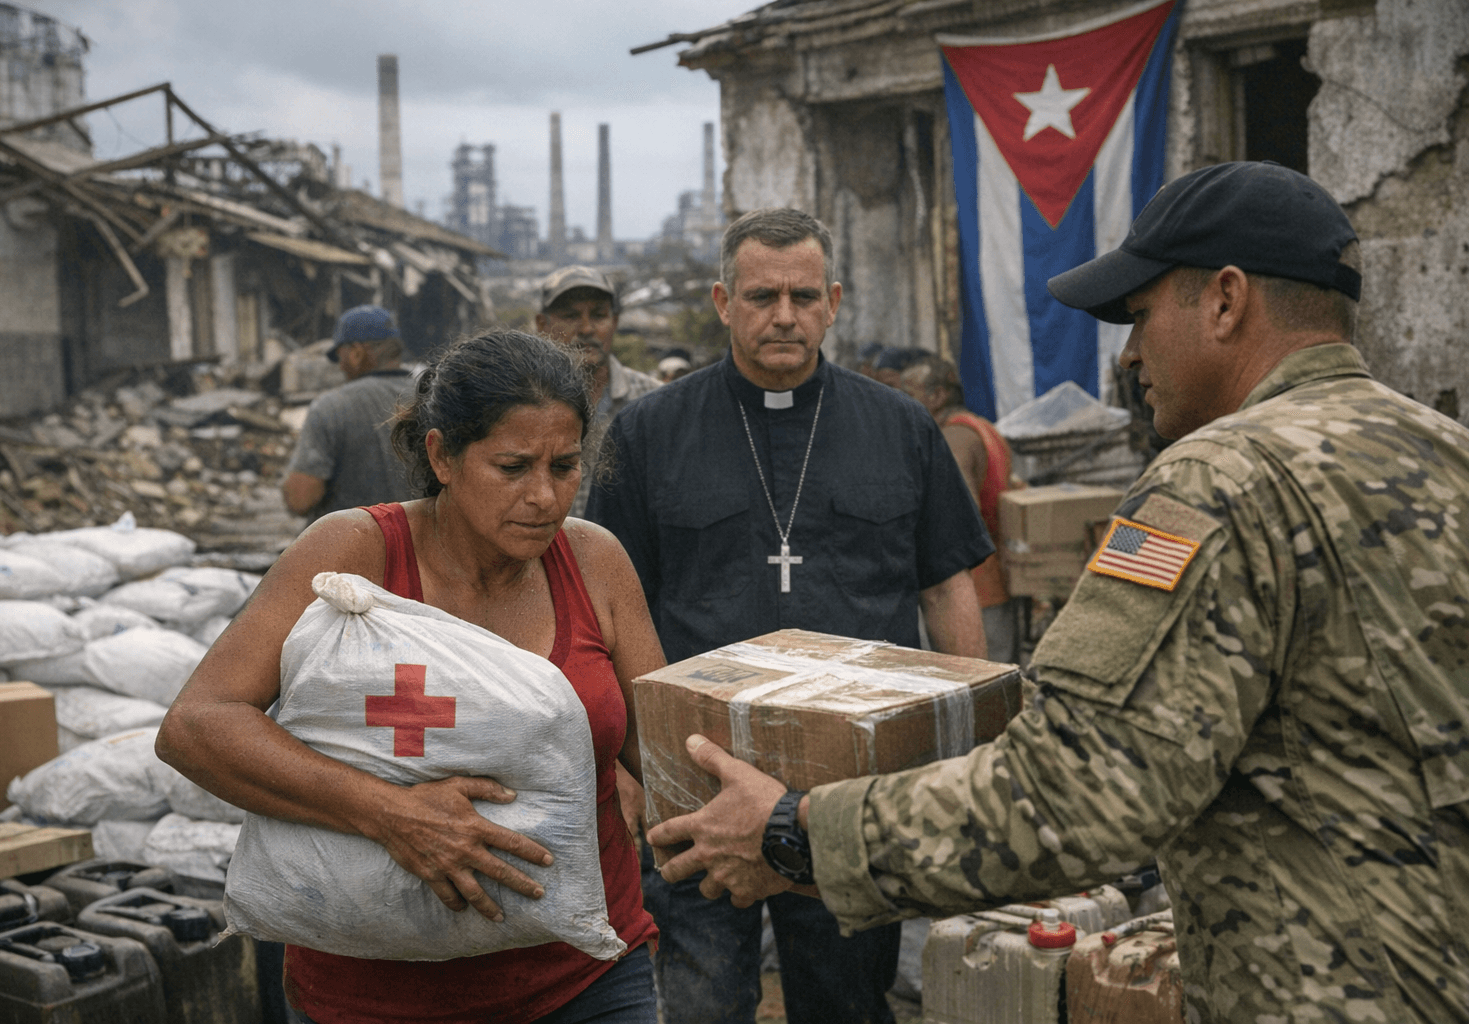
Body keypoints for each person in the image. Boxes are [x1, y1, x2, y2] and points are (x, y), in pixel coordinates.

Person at [645, 162, 1469, 1024]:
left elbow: (1078, 791)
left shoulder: (1217, 479)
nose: (1133, 353)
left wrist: (798, 831)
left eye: (1142, 316)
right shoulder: (1443, 448)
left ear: (1225, 302)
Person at [158, 329, 665, 1024]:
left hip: (584, 981)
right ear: (442, 455)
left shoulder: (594, 561)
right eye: (513, 466)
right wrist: (389, 811)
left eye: (565, 465)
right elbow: (196, 726)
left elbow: (667, 755)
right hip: (373, 999)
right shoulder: (355, 554)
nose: (545, 496)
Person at [587, 207, 992, 1024]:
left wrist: (969, 745)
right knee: (701, 1002)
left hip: (854, 786)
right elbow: (607, 604)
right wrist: (626, 767)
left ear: (834, 302)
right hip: (696, 776)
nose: (783, 315)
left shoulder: (902, 426)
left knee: (846, 999)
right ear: (721, 301)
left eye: (803, 296)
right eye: (762, 294)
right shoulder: (649, 431)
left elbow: (946, 587)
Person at [899, 356, 1022, 663]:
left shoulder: (954, 438)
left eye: (908, 395)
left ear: (937, 396)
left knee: (981, 686)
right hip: (993, 580)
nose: (899, 405)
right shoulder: (983, 428)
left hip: (971, 590)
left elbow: (956, 520)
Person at [535, 266, 660, 518]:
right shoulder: (524, 403)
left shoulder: (654, 402)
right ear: (542, 325)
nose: (586, 329)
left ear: (614, 322)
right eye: (570, 316)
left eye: (598, 315)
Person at [282, 304, 416, 521]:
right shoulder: (433, 396)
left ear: (356, 353)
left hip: (352, 548)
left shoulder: (332, 406)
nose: (341, 367)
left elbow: (300, 498)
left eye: (341, 357)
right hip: (423, 548)